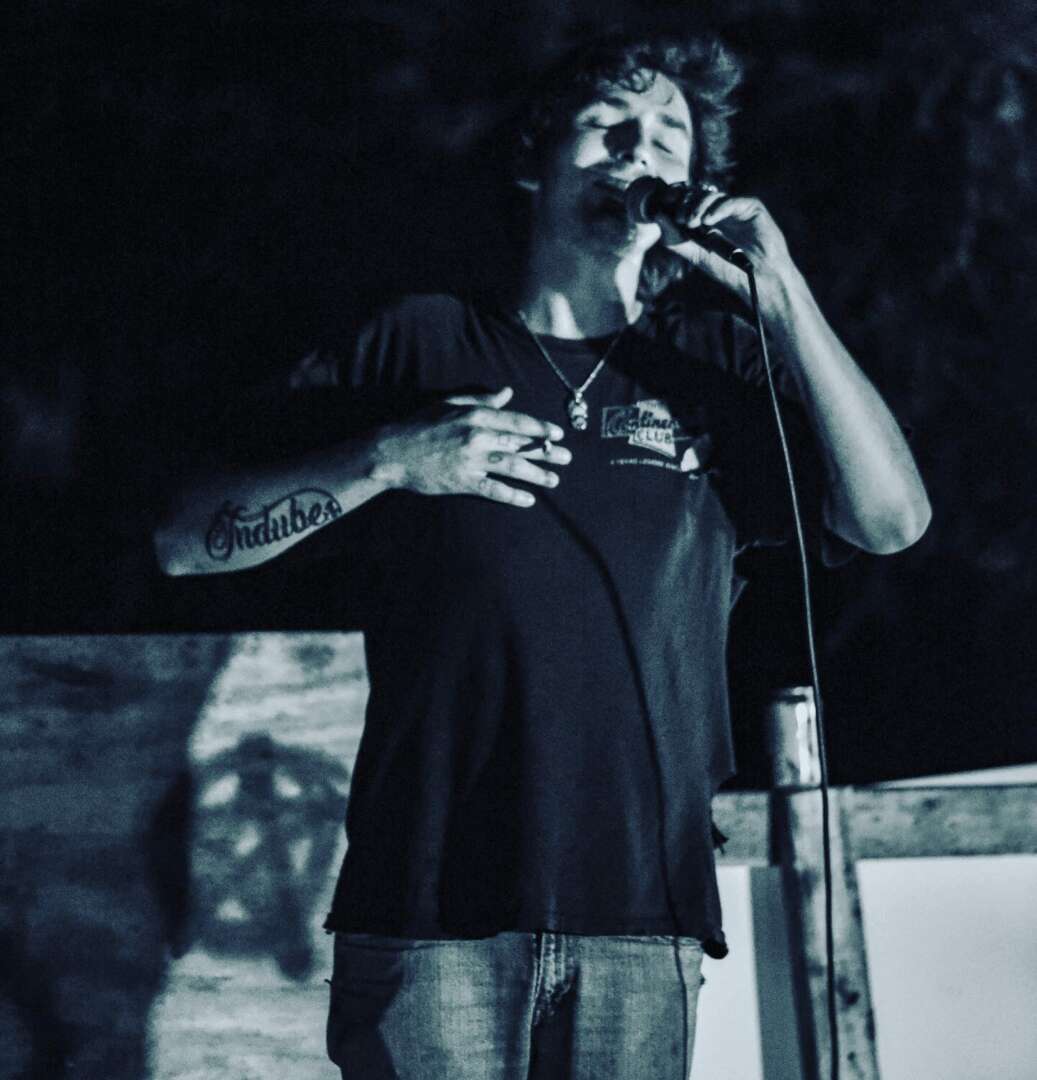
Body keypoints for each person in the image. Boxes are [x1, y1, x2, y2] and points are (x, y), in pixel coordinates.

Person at [154, 29, 930, 1080]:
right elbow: (185, 543)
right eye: (608, 123)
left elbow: (890, 521)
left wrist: (782, 292)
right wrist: (388, 458)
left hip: (643, 920)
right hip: (428, 915)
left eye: (667, 134)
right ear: (534, 158)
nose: (638, 148)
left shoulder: (713, 369)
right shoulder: (418, 342)